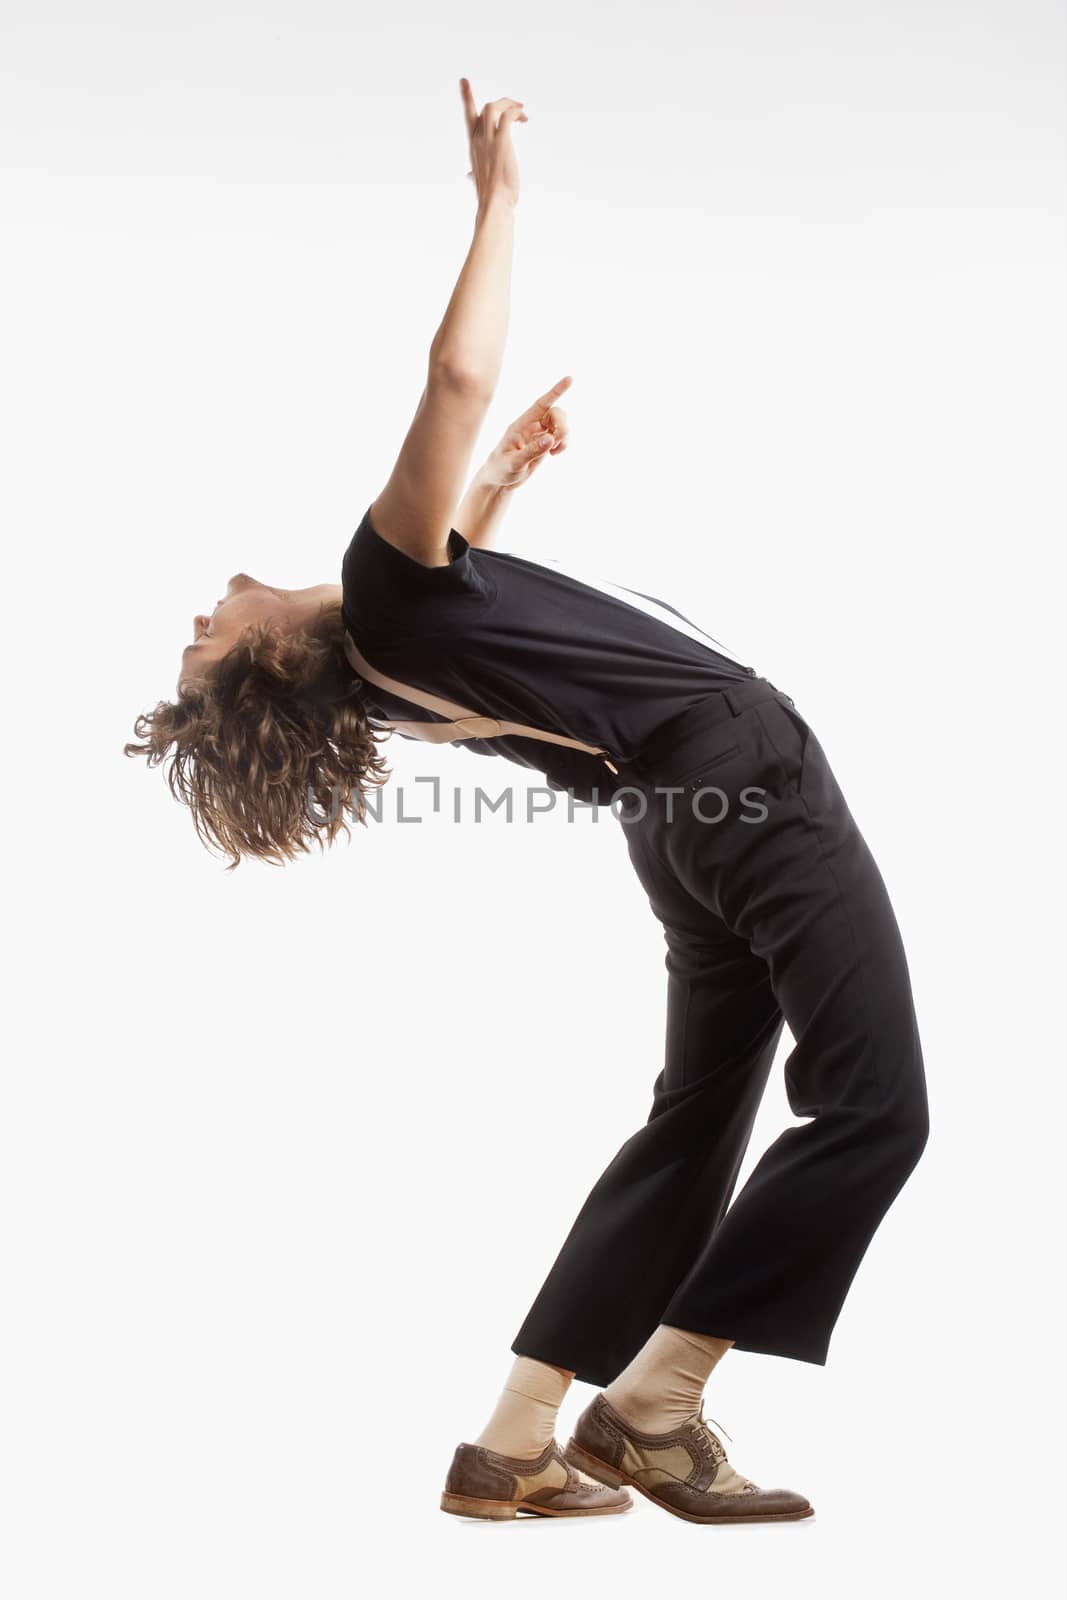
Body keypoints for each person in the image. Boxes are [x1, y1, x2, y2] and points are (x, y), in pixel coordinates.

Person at [127, 80, 930, 1526]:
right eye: (205, 638)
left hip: (682, 825)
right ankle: (657, 1403)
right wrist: (497, 200)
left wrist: (493, 489)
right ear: (272, 660)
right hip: (745, 779)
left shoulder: (391, 652)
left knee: (695, 1122)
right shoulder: (376, 598)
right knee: (878, 1106)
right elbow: (451, 381)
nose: (206, 607)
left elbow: (477, 621)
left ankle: (510, 1444)